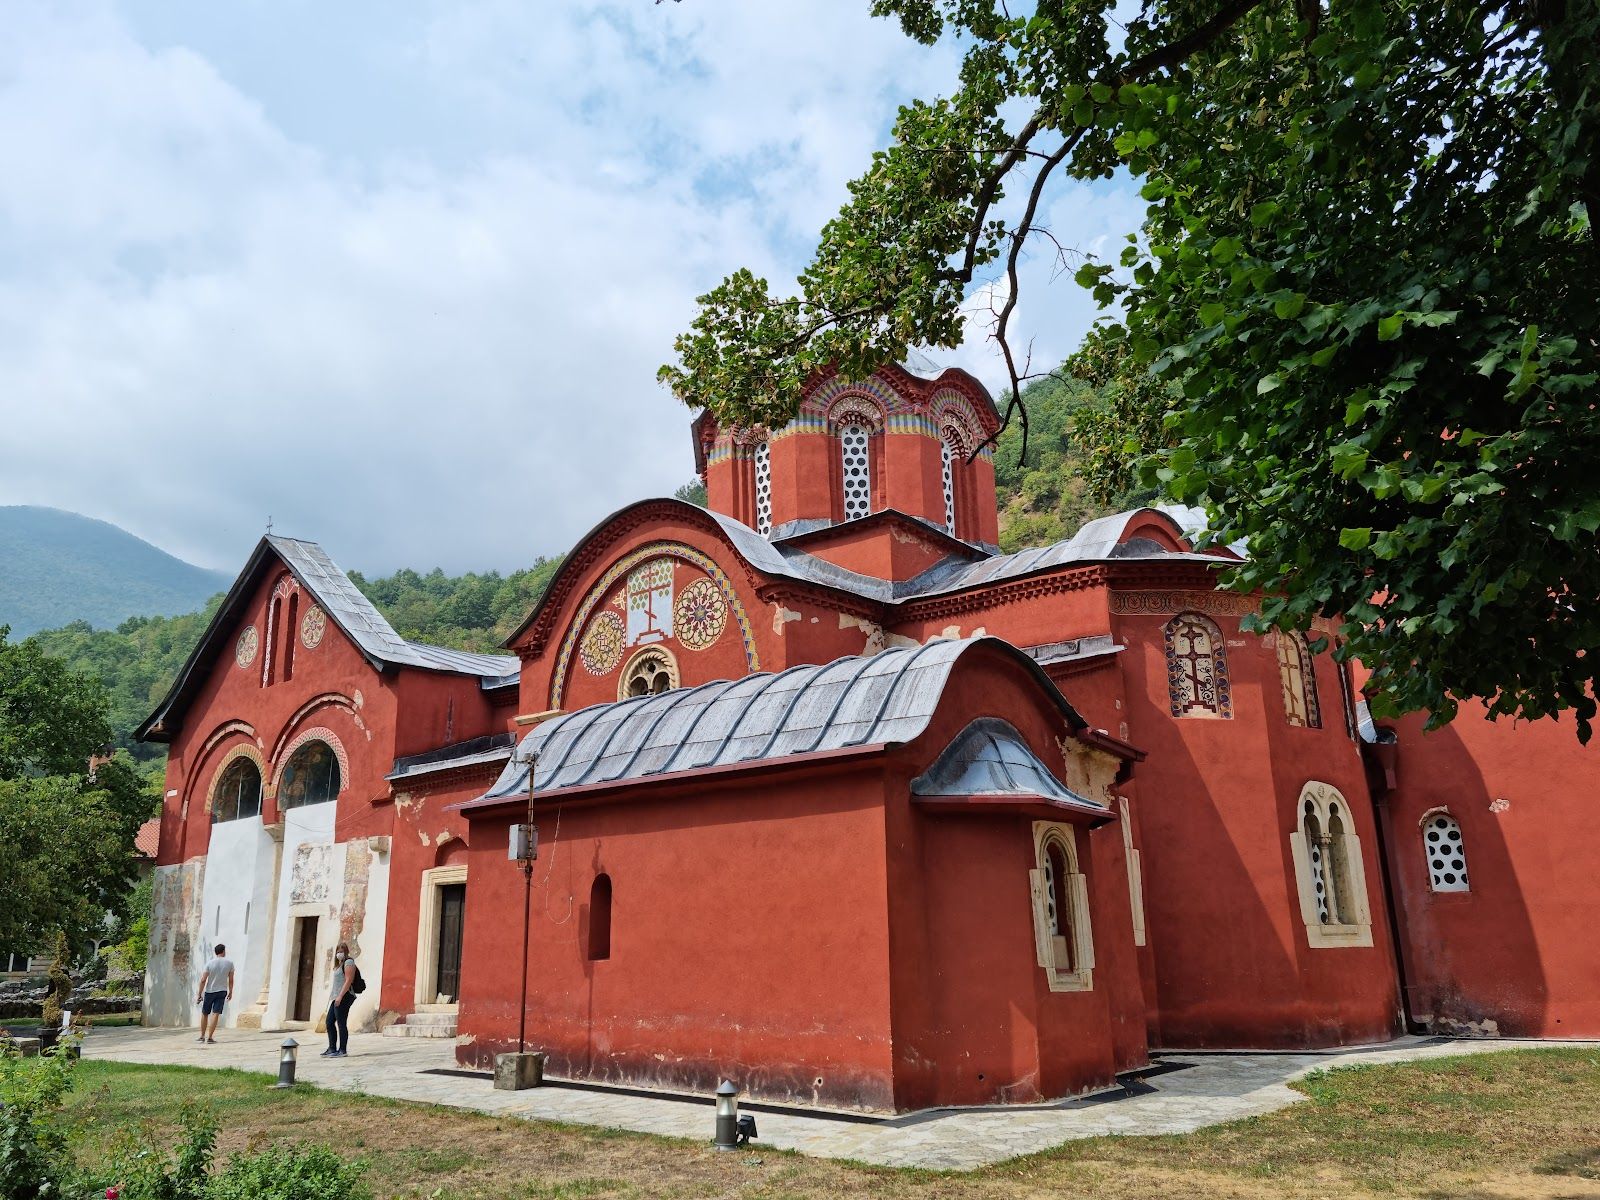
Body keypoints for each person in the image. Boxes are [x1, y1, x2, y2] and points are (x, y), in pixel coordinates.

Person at [322, 942, 357, 1058]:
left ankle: (342, 1050)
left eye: (341, 951)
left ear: (346, 952)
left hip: (344, 996)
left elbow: (348, 980)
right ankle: (332, 1048)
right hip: (336, 997)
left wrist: (340, 996)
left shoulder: (348, 962)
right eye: (338, 951)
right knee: (329, 1021)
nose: (339, 954)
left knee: (341, 1023)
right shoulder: (339, 964)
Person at [195, 943, 234, 1044]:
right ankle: (210, 1037)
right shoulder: (229, 963)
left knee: (205, 1013)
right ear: (223, 951)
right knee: (215, 1013)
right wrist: (231, 992)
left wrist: (199, 994)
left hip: (210, 991)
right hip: (222, 991)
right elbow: (231, 980)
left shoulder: (210, 963)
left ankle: (202, 1036)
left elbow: (203, 980)